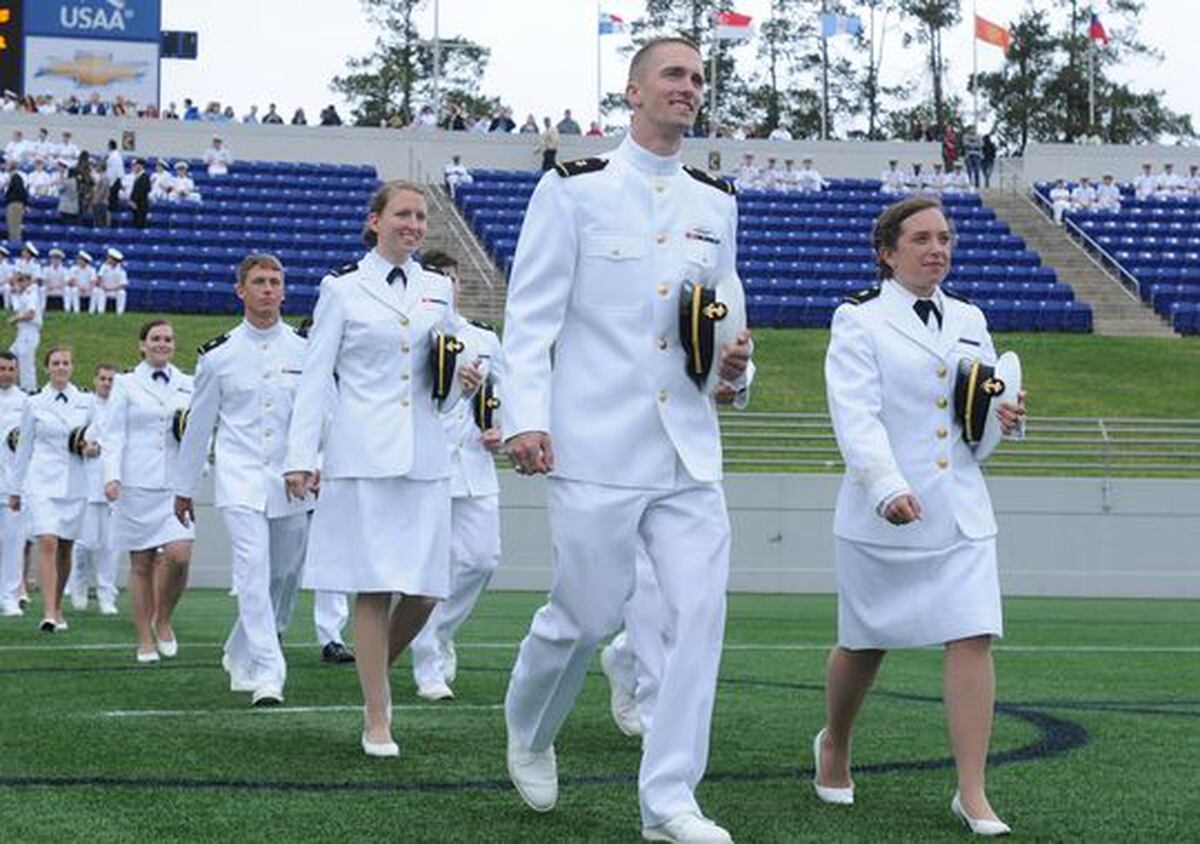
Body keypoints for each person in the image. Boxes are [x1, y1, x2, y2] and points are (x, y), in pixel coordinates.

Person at [499, 37, 754, 844]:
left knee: (696, 619)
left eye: (697, 79)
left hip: (686, 449)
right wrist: (526, 418)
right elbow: (530, 318)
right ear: (634, 92)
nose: (689, 88)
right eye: (674, 75)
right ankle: (530, 727)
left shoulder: (716, 204)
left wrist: (736, 374)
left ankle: (670, 800)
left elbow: (723, 321)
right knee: (583, 614)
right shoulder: (572, 191)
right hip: (596, 443)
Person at [819, 196, 1026, 837]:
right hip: (886, 513)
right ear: (888, 252)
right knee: (864, 643)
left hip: (962, 511)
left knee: (972, 633)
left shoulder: (970, 317)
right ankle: (836, 745)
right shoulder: (857, 320)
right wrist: (886, 486)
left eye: (945, 238)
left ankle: (972, 791)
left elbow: (975, 414)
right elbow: (856, 415)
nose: (937, 249)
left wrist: (1004, 421)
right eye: (921, 239)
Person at [283, 181, 457, 757]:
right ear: (375, 220)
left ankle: (371, 667)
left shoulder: (438, 289)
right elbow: (314, 380)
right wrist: (300, 458)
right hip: (364, 455)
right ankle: (377, 715)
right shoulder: (342, 290)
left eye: (420, 216)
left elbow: (444, 378)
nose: (413, 224)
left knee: (428, 592)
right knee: (376, 587)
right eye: (402, 215)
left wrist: (463, 380)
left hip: (426, 453)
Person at [175, 254, 314, 707]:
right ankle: (269, 671)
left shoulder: (304, 350)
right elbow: (200, 427)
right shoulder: (219, 357)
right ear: (241, 290)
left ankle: (239, 649)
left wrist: (314, 463)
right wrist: (185, 487)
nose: (268, 289)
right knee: (252, 572)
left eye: (275, 281)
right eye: (259, 281)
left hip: (289, 480)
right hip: (239, 479)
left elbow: (319, 417)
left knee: (284, 574)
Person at [408, 250, 503, 701]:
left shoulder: (483, 337)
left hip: (474, 464)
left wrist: (501, 427)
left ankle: (438, 633)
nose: (448, 285)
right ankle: (428, 667)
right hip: (424, 462)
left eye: (453, 278)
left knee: (483, 559)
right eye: (437, 277)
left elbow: (506, 388)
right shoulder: (408, 335)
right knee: (430, 570)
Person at [102, 320, 196, 663]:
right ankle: (144, 638)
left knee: (180, 555)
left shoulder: (190, 383)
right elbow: (113, 433)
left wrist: (196, 472)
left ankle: (164, 618)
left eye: (168, 339)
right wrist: (111, 476)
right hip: (135, 483)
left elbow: (199, 431)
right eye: (155, 338)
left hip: (176, 485)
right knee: (141, 563)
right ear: (142, 345)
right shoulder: (125, 384)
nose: (162, 343)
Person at [9, 346, 100, 632]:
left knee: (66, 547)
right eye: (56, 363)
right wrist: (15, 489)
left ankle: (58, 604)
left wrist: (92, 448)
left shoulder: (87, 401)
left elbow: (98, 440)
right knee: (47, 541)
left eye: (66, 363)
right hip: (41, 482)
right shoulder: (34, 403)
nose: (61, 367)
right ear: (47, 368)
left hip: (75, 482)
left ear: (72, 367)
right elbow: (24, 448)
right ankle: (48, 612)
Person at [65, 364, 120, 615]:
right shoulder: (86, 404)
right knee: (85, 542)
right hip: (88, 482)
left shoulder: (122, 405)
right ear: (95, 379)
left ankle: (107, 594)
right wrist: (84, 447)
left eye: (111, 379)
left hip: (114, 483)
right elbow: (73, 436)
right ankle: (78, 585)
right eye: (103, 378)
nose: (107, 383)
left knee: (111, 544)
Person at [0, 352, 29, 616]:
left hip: (13, 486)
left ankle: (9, 596)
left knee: (13, 543)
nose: (6, 373)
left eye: (10, 368)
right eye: (1, 368)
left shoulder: (26, 403)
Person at [8, 269, 42, 393]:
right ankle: (12, 384)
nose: (19, 283)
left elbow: (31, 314)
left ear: (28, 281)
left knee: (26, 363)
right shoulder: (23, 294)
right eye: (18, 280)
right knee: (11, 356)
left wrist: (15, 319)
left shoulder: (30, 293)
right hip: (23, 332)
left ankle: (29, 390)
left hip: (29, 331)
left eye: (22, 280)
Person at [94, 249, 128, 315]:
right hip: (104, 289)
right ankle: (100, 312)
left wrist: (111, 289)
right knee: (99, 291)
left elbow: (123, 285)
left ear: (114, 260)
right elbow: (98, 278)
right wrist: (102, 286)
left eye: (109, 258)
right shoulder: (104, 267)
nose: (107, 259)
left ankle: (119, 313)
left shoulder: (121, 270)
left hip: (115, 290)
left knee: (122, 293)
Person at [5, 160, 27, 242]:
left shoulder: (16, 178)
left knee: (15, 225)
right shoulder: (12, 178)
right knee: (11, 225)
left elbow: (21, 191)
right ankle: (13, 240)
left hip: (15, 204)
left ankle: (15, 242)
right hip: (13, 203)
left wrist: (24, 204)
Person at [104, 140, 124, 220]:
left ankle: (113, 219)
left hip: (114, 181)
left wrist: (110, 182)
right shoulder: (115, 156)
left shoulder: (114, 157)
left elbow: (113, 171)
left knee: (112, 202)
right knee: (113, 201)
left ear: (109, 146)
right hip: (115, 179)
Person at [129, 159, 151, 229]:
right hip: (137, 205)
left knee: (140, 224)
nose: (135, 167)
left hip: (141, 205)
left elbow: (141, 191)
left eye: (136, 165)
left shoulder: (144, 177)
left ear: (141, 166)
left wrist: (135, 201)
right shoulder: (138, 177)